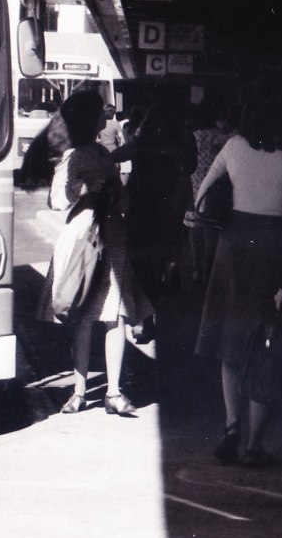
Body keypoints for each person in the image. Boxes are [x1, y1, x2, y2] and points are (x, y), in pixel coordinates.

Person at [193, 95, 282, 467]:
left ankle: (232, 427)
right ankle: (254, 446)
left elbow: (202, 197)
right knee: (268, 345)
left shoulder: (234, 146)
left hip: (235, 247)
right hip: (280, 247)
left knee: (231, 340)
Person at [49, 89, 151, 417]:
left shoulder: (104, 154)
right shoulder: (72, 156)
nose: (105, 118)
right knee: (84, 316)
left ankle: (113, 392)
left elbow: (122, 196)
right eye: (99, 113)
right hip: (85, 240)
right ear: (88, 119)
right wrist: (86, 191)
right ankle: (80, 392)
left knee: (114, 314)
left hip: (112, 236)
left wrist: (120, 197)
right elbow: (56, 199)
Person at [114, 103, 192, 298]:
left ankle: (144, 295)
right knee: (165, 244)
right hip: (167, 201)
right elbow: (188, 169)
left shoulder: (140, 143)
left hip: (139, 202)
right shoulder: (179, 144)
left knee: (140, 251)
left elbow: (114, 156)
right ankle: (165, 277)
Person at [186, 103, 233, 283]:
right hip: (213, 190)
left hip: (194, 185)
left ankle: (195, 268)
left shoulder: (192, 137)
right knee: (210, 230)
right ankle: (207, 270)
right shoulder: (222, 138)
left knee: (194, 227)